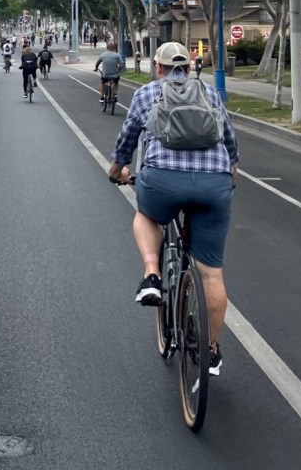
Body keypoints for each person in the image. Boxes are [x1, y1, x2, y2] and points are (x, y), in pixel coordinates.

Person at [108, 42, 239, 376]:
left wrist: (118, 170)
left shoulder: (146, 93)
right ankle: (210, 351)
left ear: (159, 67)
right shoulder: (209, 94)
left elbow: (128, 138)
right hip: (214, 184)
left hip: (162, 180)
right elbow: (229, 139)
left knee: (147, 215)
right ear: (189, 67)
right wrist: (229, 172)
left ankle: (151, 274)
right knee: (211, 273)